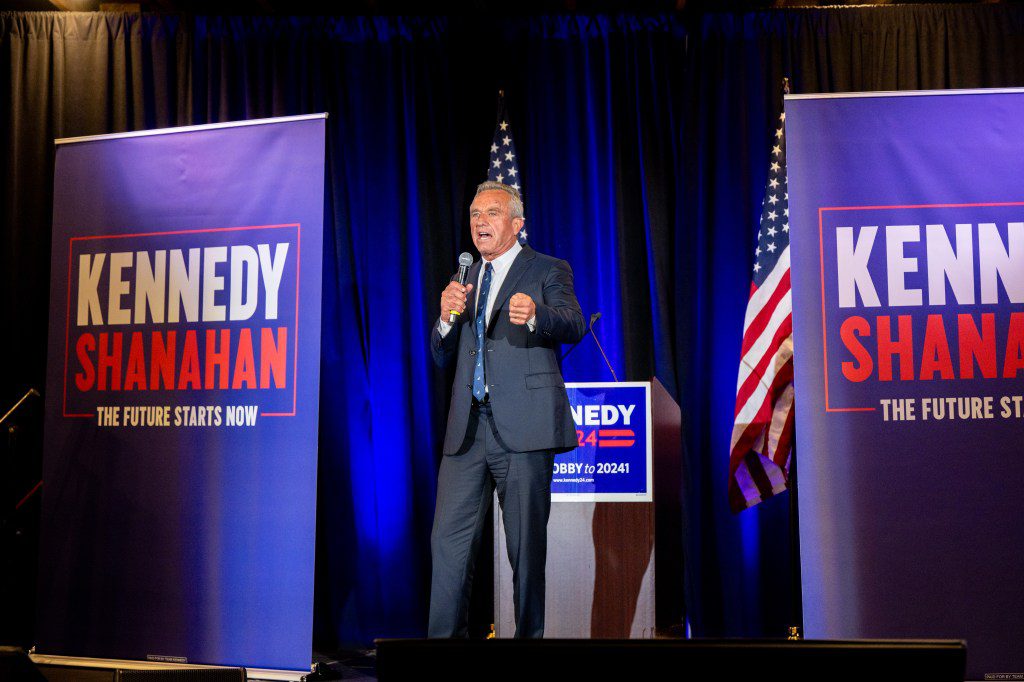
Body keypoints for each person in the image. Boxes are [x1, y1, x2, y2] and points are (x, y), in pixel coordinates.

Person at [428, 181, 585, 639]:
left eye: (491, 213)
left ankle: (527, 646)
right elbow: (441, 356)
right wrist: (444, 318)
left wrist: (537, 313)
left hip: (524, 430)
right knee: (448, 545)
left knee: (525, 548)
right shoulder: (465, 277)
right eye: (475, 213)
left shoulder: (548, 268)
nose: (480, 222)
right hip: (467, 431)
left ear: (517, 224)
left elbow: (573, 322)